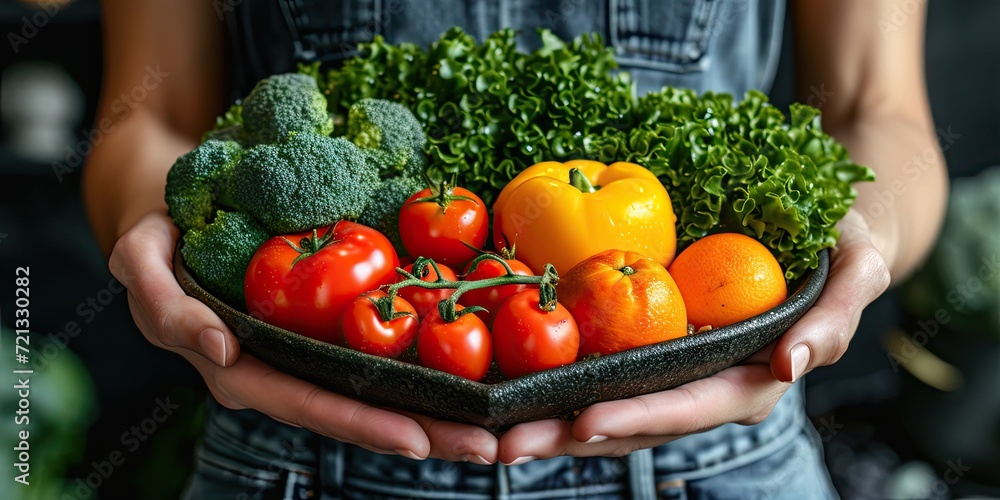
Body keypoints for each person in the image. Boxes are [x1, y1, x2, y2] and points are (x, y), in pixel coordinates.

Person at [83, 0, 947, 497]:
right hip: (296, 451)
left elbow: (878, 109)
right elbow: (151, 118)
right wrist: (146, 226)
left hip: (720, 457)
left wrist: (862, 236)